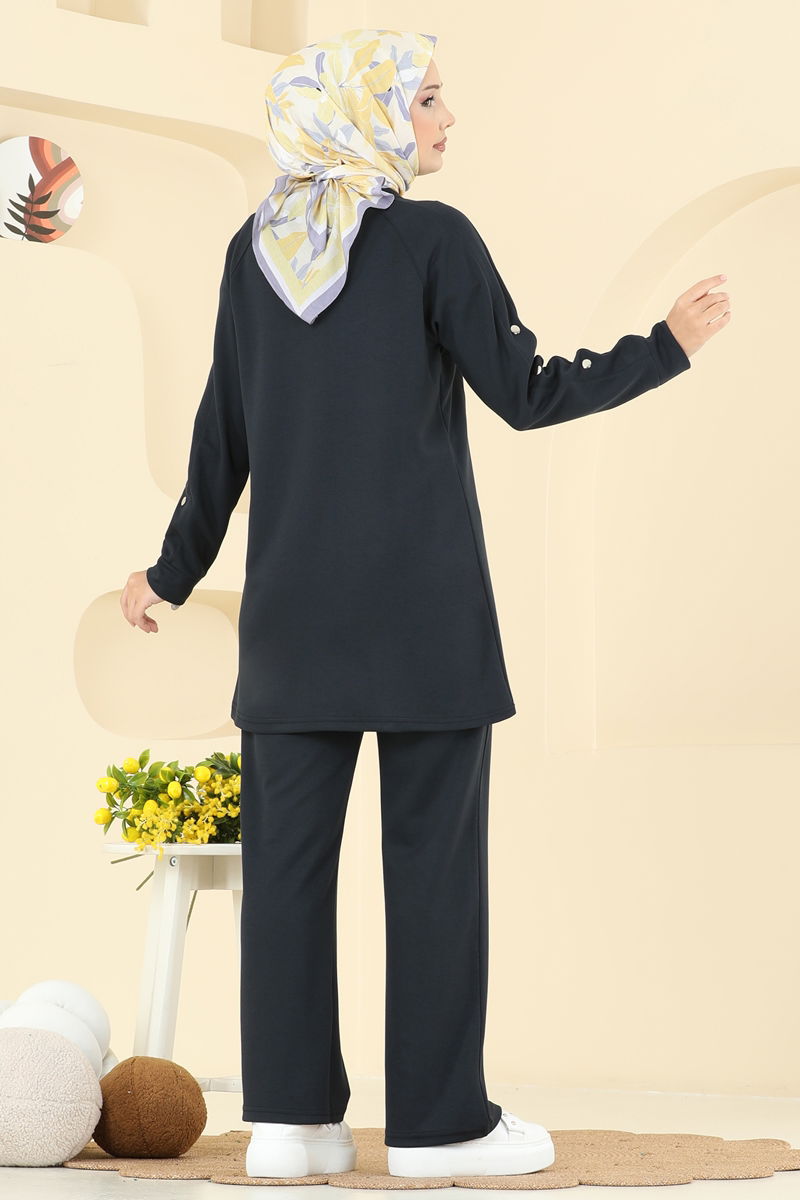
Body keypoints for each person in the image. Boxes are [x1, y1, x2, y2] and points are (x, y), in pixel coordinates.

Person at [120, 27, 731, 1181]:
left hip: (292, 632)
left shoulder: (254, 253)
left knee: (284, 882)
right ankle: (438, 1129)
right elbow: (526, 392)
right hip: (423, 624)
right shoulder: (432, 240)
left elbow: (221, 443)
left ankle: (290, 1129)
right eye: (428, 100)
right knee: (433, 876)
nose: (447, 120)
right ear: (368, 113)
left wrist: (169, 574)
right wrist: (666, 347)